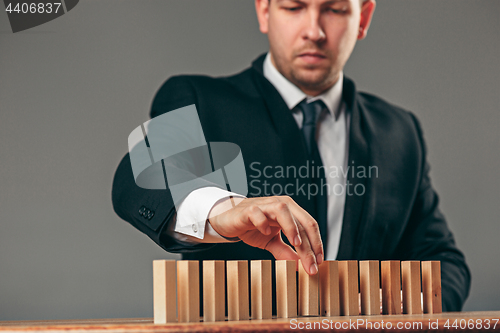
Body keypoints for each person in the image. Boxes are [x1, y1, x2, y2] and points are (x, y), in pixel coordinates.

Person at [112, 0, 470, 311]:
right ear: (265, 11)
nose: (313, 30)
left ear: (363, 19)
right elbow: (140, 176)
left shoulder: (399, 131)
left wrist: (393, 310)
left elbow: (443, 260)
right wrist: (224, 211)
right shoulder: (199, 100)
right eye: (294, 7)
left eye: (334, 9)